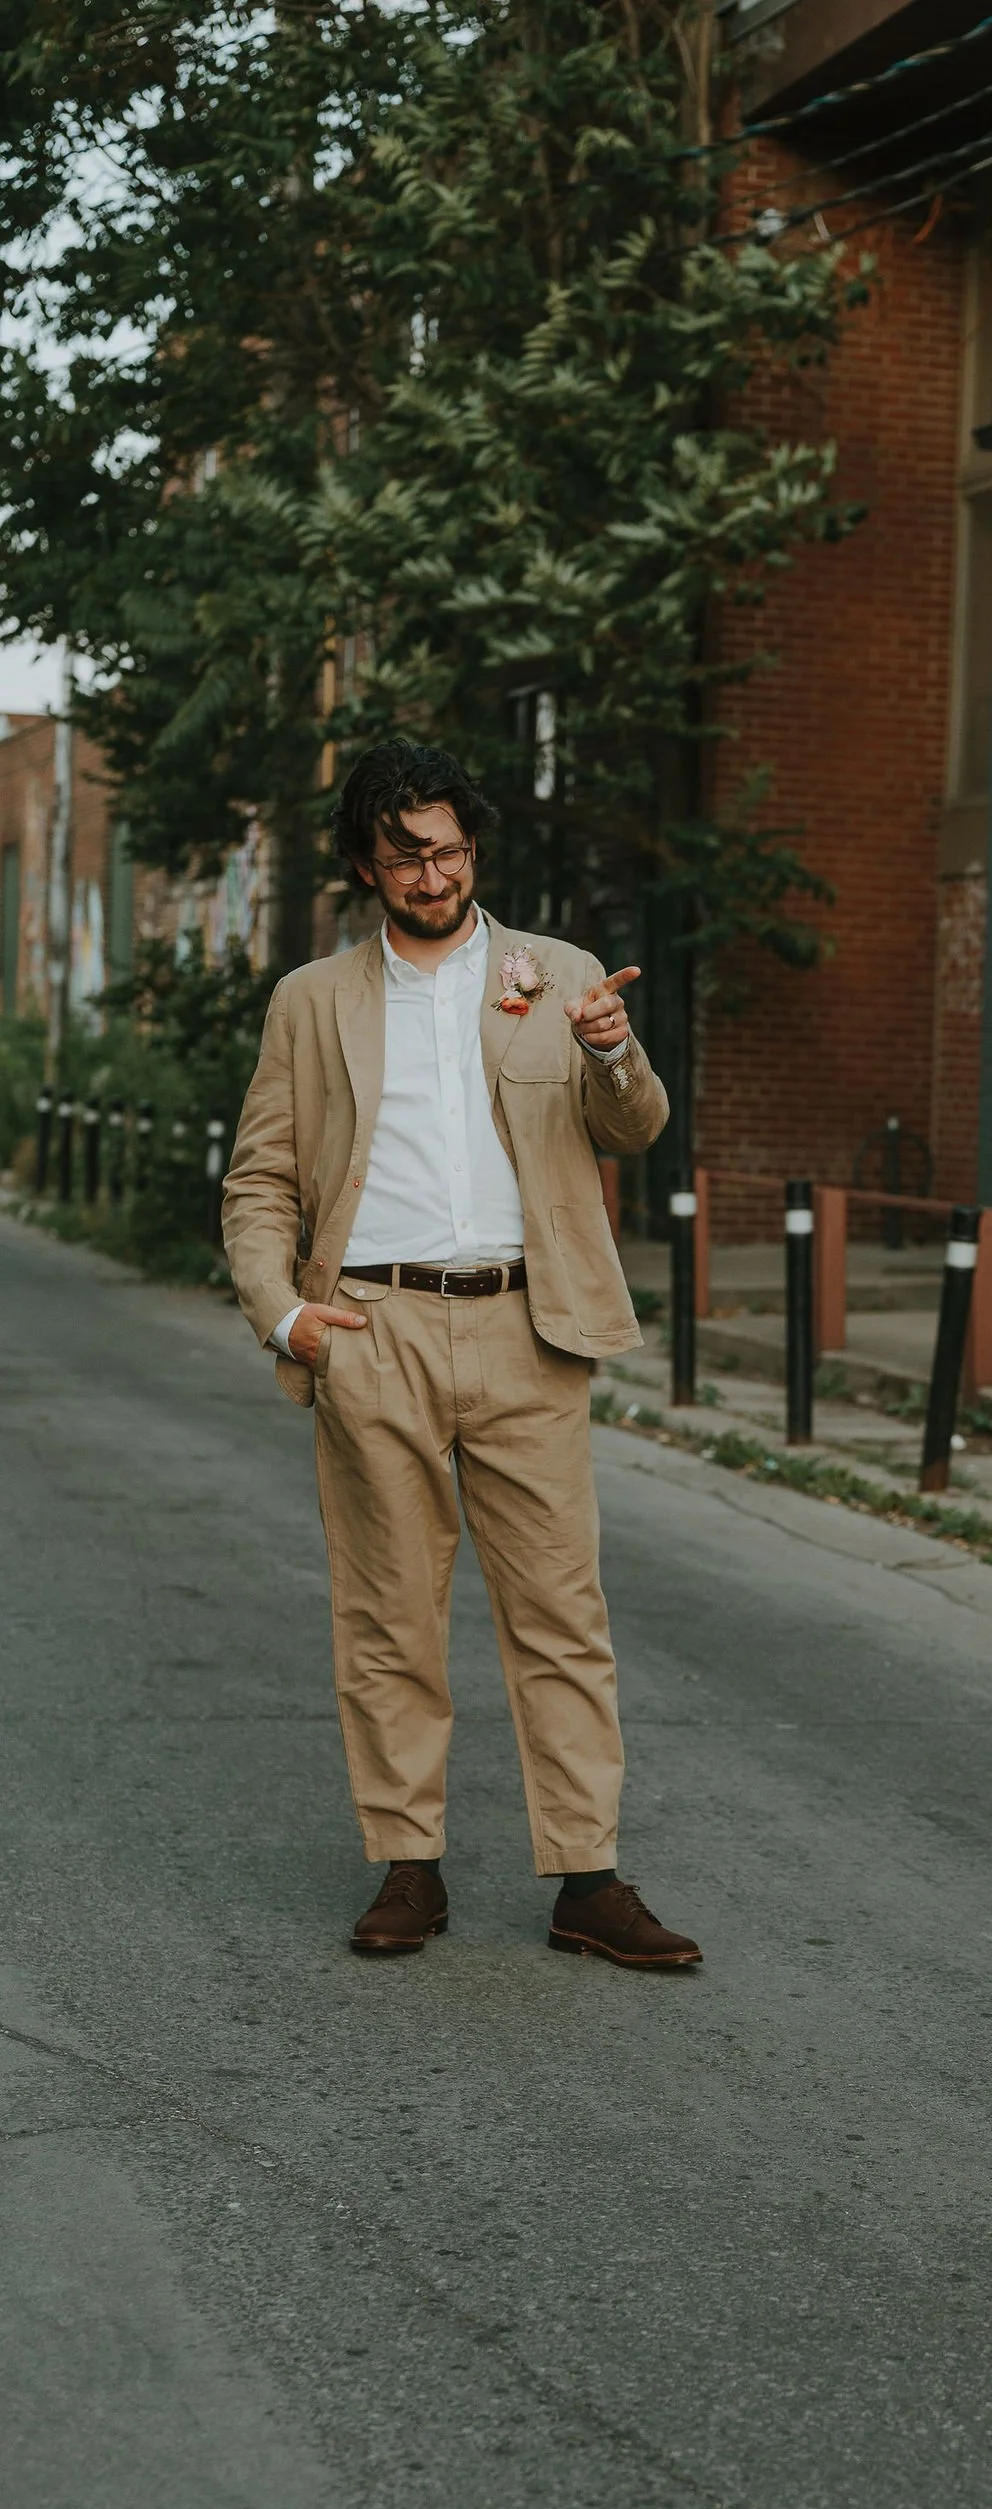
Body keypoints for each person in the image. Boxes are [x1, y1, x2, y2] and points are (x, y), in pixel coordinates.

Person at [222, 737, 702, 1971]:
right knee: (387, 1614)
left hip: (526, 1326)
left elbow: (634, 1129)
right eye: (402, 854)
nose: (428, 873)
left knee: (560, 1611)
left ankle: (586, 1880)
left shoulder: (560, 974)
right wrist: (285, 1315)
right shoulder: (312, 1000)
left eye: (444, 848)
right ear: (365, 865)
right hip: (367, 1329)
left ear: (472, 848)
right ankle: (410, 1868)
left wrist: (610, 1046)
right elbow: (261, 1179)